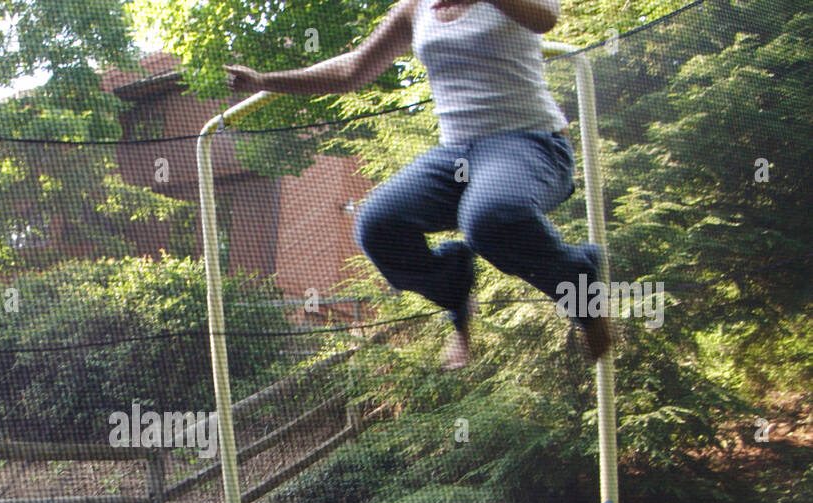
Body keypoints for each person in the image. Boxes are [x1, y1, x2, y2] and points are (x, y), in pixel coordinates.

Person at [227, 0, 612, 369]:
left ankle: (582, 290)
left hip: (531, 144)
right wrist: (265, 81)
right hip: (457, 157)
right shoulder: (415, 8)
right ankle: (454, 286)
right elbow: (352, 70)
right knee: (378, 225)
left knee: (488, 218)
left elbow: (545, 16)